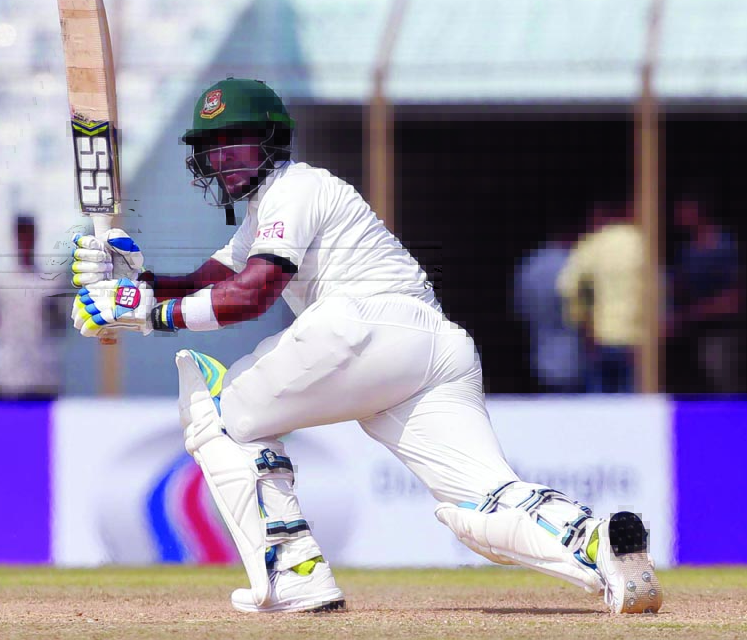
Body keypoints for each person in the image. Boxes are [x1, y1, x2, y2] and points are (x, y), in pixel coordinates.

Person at [69, 78, 662, 614]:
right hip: (434, 349)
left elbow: (252, 295)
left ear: (272, 143)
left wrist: (149, 317)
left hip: (363, 326)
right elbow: (209, 282)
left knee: (217, 415)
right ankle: (599, 541)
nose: (225, 161)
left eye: (239, 145)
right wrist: (134, 281)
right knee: (479, 506)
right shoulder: (264, 213)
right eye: (214, 148)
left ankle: (295, 572)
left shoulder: (298, 188)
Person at [557, 201, 643, 393]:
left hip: (600, 337)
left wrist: (583, 324)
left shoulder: (592, 244)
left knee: (600, 405)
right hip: (637, 338)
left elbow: (571, 287)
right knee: (636, 405)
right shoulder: (641, 242)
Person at [0, 216, 66, 400]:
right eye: (22, 236)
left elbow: (61, 326)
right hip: (9, 377)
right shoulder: (2, 284)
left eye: (29, 236)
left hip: (43, 376)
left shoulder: (51, 282)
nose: (26, 242)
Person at [666, 196, 743, 394]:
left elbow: (735, 299)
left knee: (722, 387)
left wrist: (696, 312)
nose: (678, 216)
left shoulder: (724, 246)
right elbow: (680, 289)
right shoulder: (685, 250)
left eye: (683, 209)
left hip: (720, 334)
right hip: (690, 336)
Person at [514, 226, 585, 392]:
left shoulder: (532, 264)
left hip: (540, 348)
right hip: (572, 349)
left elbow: (521, 307)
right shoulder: (573, 263)